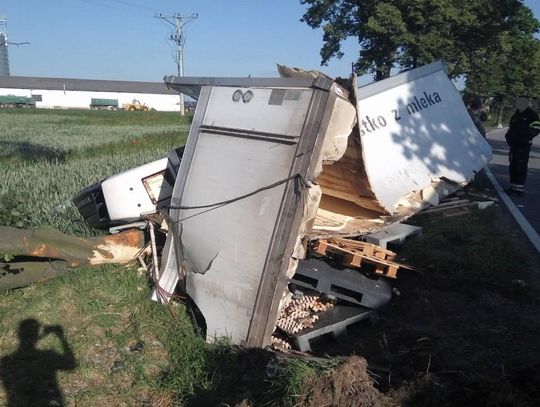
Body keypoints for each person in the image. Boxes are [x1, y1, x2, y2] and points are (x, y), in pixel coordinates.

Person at [505, 96, 540, 195]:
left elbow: (536, 128)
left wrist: (525, 136)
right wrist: (508, 136)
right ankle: (513, 187)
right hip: (514, 145)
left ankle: (519, 189)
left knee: (520, 166)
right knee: (513, 165)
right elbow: (511, 127)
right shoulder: (517, 114)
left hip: (523, 145)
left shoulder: (531, 115)